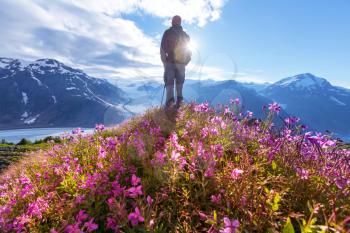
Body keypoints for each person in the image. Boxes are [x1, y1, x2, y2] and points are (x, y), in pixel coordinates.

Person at [160, 15, 191, 108]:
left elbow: (162, 49)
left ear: (172, 22)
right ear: (180, 22)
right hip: (181, 64)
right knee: (180, 84)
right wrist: (185, 62)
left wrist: (164, 62)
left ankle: (169, 106)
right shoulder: (185, 35)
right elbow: (189, 51)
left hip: (169, 63)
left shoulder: (167, 32)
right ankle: (179, 105)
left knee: (169, 84)